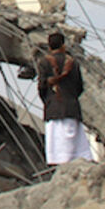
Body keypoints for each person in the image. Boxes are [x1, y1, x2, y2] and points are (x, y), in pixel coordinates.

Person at [34, 32, 93, 164]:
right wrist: (70, 97)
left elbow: (42, 87)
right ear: (63, 45)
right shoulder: (73, 63)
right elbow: (79, 87)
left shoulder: (43, 62)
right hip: (71, 107)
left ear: (49, 47)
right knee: (77, 150)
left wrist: (49, 101)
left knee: (57, 149)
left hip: (53, 109)